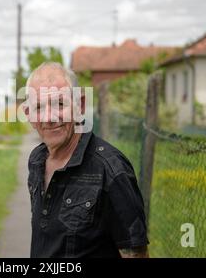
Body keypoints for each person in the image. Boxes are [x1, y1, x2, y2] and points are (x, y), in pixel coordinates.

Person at [23, 62, 149, 258]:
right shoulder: (36, 161)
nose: (49, 117)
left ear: (79, 105)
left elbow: (135, 254)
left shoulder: (111, 169)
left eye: (60, 104)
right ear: (28, 115)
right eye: (38, 107)